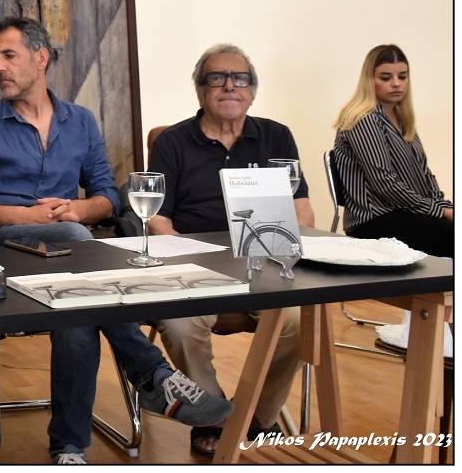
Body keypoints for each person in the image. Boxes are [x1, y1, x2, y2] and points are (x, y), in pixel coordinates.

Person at [0, 17, 234, 465]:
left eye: (8, 55)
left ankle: (69, 448)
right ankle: (153, 374)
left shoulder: (79, 121)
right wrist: (32, 216)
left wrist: (80, 209)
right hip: (1, 251)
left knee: (77, 311)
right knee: (77, 243)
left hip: (67, 263)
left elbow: (106, 196)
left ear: (40, 59)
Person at [147, 42, 315, 457]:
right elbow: (157, 219)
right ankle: (212, 415)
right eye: (216, 78)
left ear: (252, 92)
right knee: (179, 325)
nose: (229, 86)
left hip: (264, 261)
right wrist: (184, 258)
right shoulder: (172, 142)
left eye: (240, 79)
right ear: (200, 91)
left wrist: (289, 243)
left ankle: (259, 414)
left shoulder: (276, 136)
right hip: (196, 264)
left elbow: (302, 209)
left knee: (300, 320)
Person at [333, 44, 452, 257]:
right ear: (369, 80)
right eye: (386, 78)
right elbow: (385, 183)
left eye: (402, 77)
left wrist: (442, 205)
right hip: (374, 220)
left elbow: (425, 175)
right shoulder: (364, 120)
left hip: (406, 212)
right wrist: (439, 211)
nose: (396, 83)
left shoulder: (402, 119)